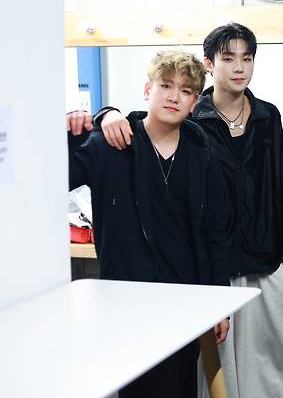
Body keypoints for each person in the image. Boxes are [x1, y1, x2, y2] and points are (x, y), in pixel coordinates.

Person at [93, 23, 283, 398]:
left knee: (275, 369)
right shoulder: (192, 120)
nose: (239, 67)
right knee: (213, 376)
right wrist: (105, 113)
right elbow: (147, 122)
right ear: (210, 64)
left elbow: (280, 185)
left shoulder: (268, 115)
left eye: (247, 58)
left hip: (264, 257)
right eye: (228, 58)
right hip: (207, 267)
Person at [67, 50, 231, 398]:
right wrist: (76, 124)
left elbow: (214, 234)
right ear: (147, 90)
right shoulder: (111, 144)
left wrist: (220, 302)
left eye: (185, 91)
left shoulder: (203, 154)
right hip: (127, 300)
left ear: (194, 102)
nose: (174, 96)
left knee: (181, 389)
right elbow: (53, 176)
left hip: (183, 300)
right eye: (166, 85)